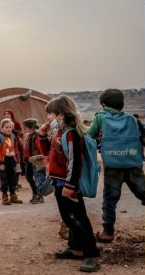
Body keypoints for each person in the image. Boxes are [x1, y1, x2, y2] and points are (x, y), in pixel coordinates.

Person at [46, 96, 100, 272]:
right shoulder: (61, 132)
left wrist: (70, 186)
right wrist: (41, 135)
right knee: (68, 217)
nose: (48, 118)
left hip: (68, 184)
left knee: (78, 218)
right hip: (59, 181)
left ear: (60, 115)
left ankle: (91, 254)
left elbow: (75, 161)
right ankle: (75, 249)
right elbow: (53, 152)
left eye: (51, 114)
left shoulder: (71, 133)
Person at [86, 88, 145, 243]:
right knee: (144, 193)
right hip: (133, 163)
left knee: (110, 199)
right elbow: (143, 137)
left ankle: (108, 232)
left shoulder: (100, 118)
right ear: (122, 103)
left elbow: (89, 136)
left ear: (103, 104)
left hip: (113, 165)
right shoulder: (132, 119)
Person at [0, 119, 23, 205]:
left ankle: (13, 196)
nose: (8, 129)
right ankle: (4, 196)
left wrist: (16, 159)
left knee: (12, 178)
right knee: (4, 178)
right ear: (2, 128)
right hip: (3, 160)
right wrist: (0, 163)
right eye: (6, 127)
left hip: (11, 159)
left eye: (10, 127)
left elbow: (15, 147)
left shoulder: (13, 136)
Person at [22, 118, 50, 204]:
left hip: (37, 161)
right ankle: (35, 193)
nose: (23, 129)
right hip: (29, 161)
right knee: (28, 176)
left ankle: (39, 196)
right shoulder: (28, 135)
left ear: (30, 128)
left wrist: (36, 157)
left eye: (24, 127)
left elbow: (41, 149)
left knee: (38, 177)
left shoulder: (37, 135)